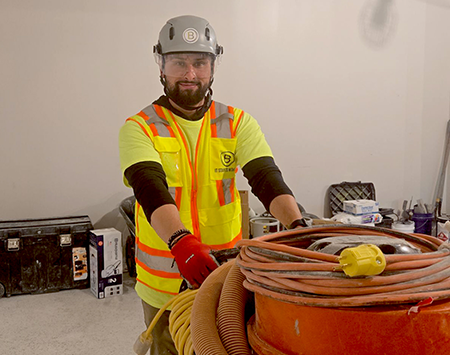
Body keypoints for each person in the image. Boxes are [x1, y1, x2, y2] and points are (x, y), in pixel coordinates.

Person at [119, 15, 307, 354]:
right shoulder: (139, 127)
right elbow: (149, 187)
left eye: (199, 62)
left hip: (224, 279)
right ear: (161, 66)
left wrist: (298, 226)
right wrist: (181, 242)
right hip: (164, 285)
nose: (190, 74)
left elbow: (266, 178)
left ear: (213, 66)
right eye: (179, 62)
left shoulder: (237, 123)